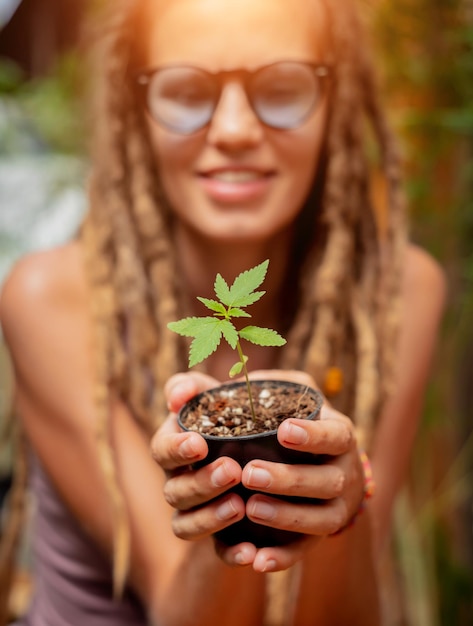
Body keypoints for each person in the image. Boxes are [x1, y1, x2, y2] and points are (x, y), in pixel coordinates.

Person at [0, 0, 446, 624]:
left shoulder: (401, 291)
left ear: (335, 99)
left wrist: (342, 495)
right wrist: (228, 500)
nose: (234, 129)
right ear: (137, 107)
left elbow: (347, 614)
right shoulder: (50, 298)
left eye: (283, 86)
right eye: (186, 91)